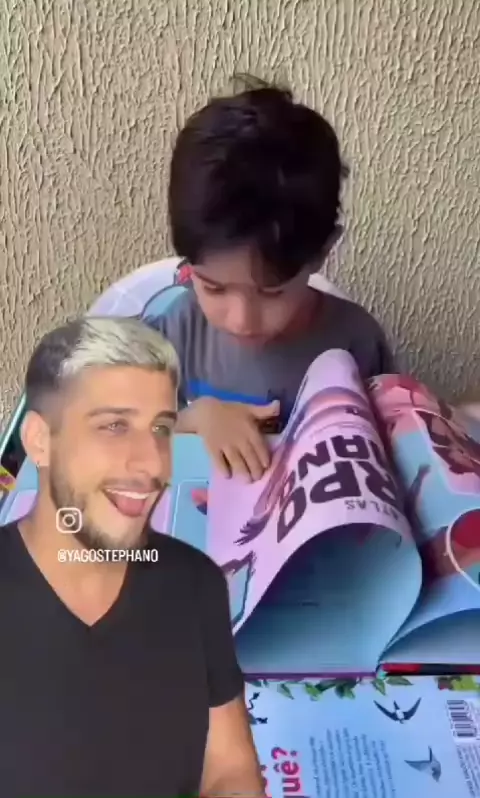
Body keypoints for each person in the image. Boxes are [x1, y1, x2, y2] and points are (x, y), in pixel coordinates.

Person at [0, 317, 265, 798]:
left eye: (161, 428)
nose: (151, 463)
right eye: (114, 426)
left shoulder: (195, 584)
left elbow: (229, 768)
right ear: (39, 440)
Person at [148, 79, 395, 481]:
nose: (241, 320)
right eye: (213, 287)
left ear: (322, 253)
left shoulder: (356, 342)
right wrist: (194, 418)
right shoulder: (171, 331)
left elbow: (389, 444)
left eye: (271, 292)